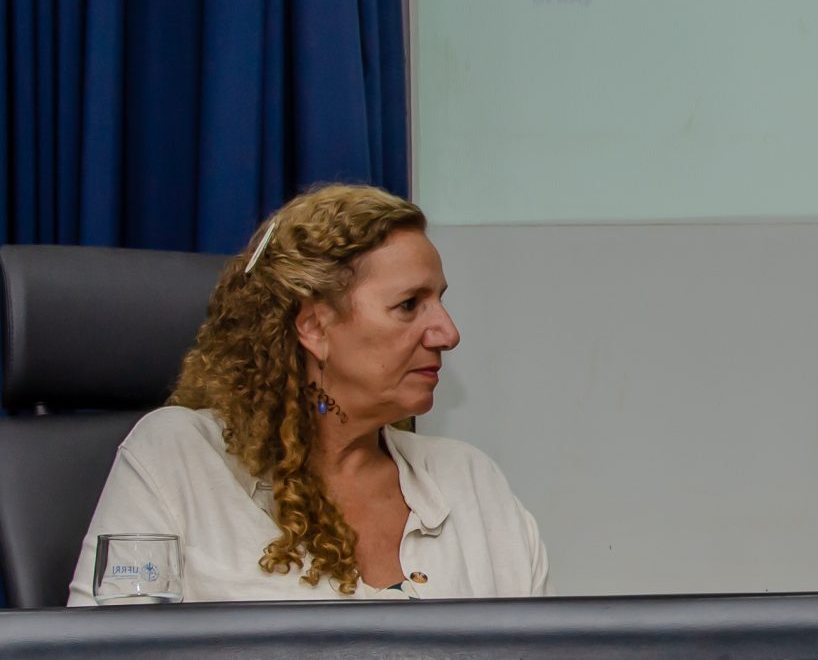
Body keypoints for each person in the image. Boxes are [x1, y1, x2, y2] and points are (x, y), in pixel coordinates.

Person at [68, 185, 548, 603]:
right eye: (408, 305)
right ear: (315, 327)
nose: (448, 333)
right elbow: (103, 647)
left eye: (439, 300)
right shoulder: (178, 459)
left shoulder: (471, 482)